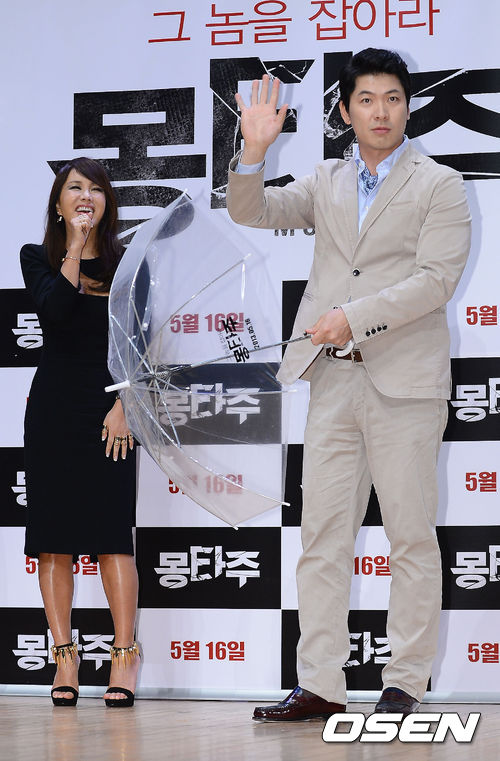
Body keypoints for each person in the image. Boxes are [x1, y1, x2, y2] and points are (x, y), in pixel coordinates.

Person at [227, 48, 471, 720]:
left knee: (410, 537)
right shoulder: (326, 179)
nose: (381, 111)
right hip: (332, 380)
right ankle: (321, 683)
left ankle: (405, 682)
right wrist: (253, 152)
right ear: (345, 110)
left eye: (393, 98)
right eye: (367, 99)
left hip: (405, 385)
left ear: (408, 107)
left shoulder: (440, 183)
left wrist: (354, 317)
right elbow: (253, 211)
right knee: (322, 538)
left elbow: (436, 280)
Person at [21, 157, 140, 707]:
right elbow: (56, 313)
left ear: (108, 202)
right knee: (54, 541)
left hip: (110, 409)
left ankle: (124, 657)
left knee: (112, 536)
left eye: (95, 188)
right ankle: (65, 660)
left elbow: (140, 344)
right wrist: (73, 245)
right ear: (58, 203)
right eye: (75, 188)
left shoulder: (128, 264)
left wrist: (125, 404)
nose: (86, 196)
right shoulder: (38, 258)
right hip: (54, 410)